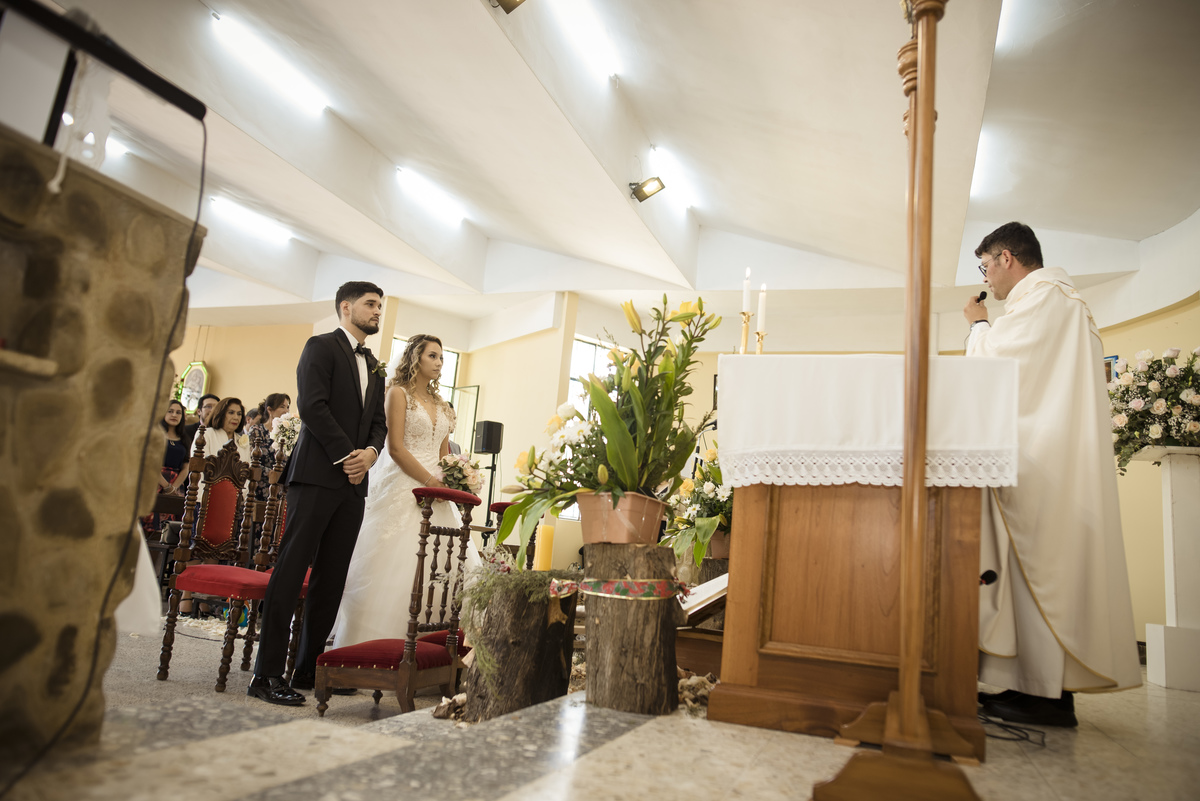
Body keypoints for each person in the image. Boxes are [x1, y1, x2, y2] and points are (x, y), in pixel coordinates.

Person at [963, 222, 1140, 727]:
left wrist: (978, 324)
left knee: (1039, 568)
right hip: (1054, 459)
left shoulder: (1042, 299)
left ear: (1006, 258)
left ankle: (1045, 695)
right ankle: (1038, 689)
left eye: (985, 266)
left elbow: (994, 372)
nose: (987, 280)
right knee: (1035, 572)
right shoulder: (1064, 301)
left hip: (1044, 466)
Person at [249, 282, 388, 705]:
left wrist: (369, 453)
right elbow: (312, 406)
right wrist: (347, 455)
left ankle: (308, 669)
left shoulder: (375, 364)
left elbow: (378, 422)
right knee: (292, 572)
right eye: (370, 304)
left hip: (354, 482)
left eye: (380, 306)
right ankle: (266, 674)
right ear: (346, 307)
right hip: (316, 475)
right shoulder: (320, 346)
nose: (377, 311)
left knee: (332, 577)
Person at [332, 335, 481, 650]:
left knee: (446, 562)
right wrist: (429, 480)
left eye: (441, 357)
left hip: (439, 492)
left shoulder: (442, 405)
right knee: (399, 562)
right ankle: (373, 647)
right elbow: (395, 447)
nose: (439, 362)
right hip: (405, 484)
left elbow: (444, 453)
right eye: (433, 356)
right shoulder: (397, 394)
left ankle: (435, 647)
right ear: (416, 358)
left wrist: (453, 479)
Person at [141, 399, 189, 535]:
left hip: (176, 485)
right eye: (170, 411)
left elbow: (186, 467)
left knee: (169, 529)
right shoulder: (154, 435)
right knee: (150, 525)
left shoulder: (184, 438)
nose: (174, 415)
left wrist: (173, 487)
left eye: (178, 412)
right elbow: (149, 463)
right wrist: (166, 486)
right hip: (154, 481)